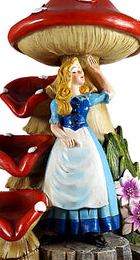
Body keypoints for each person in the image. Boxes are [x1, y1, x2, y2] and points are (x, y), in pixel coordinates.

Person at [39, 56, 120, 246]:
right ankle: (58, 227)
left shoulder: (87, 98)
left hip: (85, 141)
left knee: (91, 180)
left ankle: (90, 229)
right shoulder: (58, 103)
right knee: (61, 184)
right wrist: (64, 137)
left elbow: (109, 93)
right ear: (67, 77)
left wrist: (97, 73)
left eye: (80, 70)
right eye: (75, 71)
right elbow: (54, 125)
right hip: (66, 144)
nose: (80, 73)